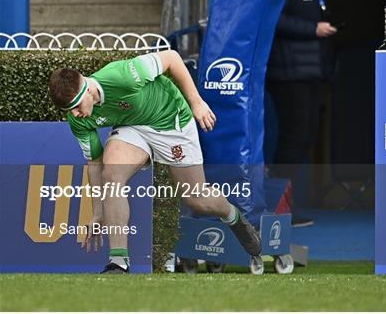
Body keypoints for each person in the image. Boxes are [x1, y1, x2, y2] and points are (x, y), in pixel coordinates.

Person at [48, 50, 261, 274]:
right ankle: (118, 262)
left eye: (77, 105)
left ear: (88, 89)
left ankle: (234, 217)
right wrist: (98, 213)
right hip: (133, 128)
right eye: (68, 110)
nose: (75, 113)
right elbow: (94, 163)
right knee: (111, 175)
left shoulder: (123, 76)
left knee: (196, 199)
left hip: (170, 120)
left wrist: (196, 103)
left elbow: (172, 58)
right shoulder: (77, 120)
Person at [266, 0, 337, 227]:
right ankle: (278, 210)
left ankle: (284, 207)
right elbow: (274, 19)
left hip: (311, 70)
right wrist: (312, 30)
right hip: (287, 72)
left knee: (305, 136)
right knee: (292, 139)